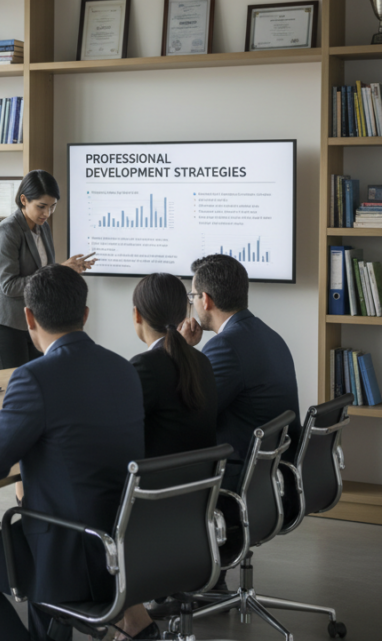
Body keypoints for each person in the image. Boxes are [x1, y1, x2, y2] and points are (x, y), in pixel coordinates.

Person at [0, 265, 144, 641]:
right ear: (84, 314)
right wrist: (2, 432)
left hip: (63, 548)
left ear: (28, 316)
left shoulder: (34, 376)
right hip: (120, 541)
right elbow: (72, 438)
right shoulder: (123, 369)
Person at [115, 272, 218, 641]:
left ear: (136, 315)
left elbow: (110, 434)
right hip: (189, 509)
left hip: (150, 509)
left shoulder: (144, 368)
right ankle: (129, 622)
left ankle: (124, 620)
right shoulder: (200, 364)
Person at [178, 254, 301, 487]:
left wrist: (180, 349)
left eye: (192, 296)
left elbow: (191, 414)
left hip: (241, 479)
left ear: (205, 300)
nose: (192, 303)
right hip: (273, 474)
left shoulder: (226, 346)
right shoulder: (266, 333)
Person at [0, 169, 95, 371]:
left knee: (39, 381)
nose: (47, 213)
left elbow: (45, 272)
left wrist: (67, 270)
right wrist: (59, 268)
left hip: (35, 320)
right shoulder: (8, 230)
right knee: (14, 385)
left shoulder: (42, 227)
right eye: (41, 207)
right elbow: (9, 286)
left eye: (52, 207)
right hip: (7, 322)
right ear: (23, 199)